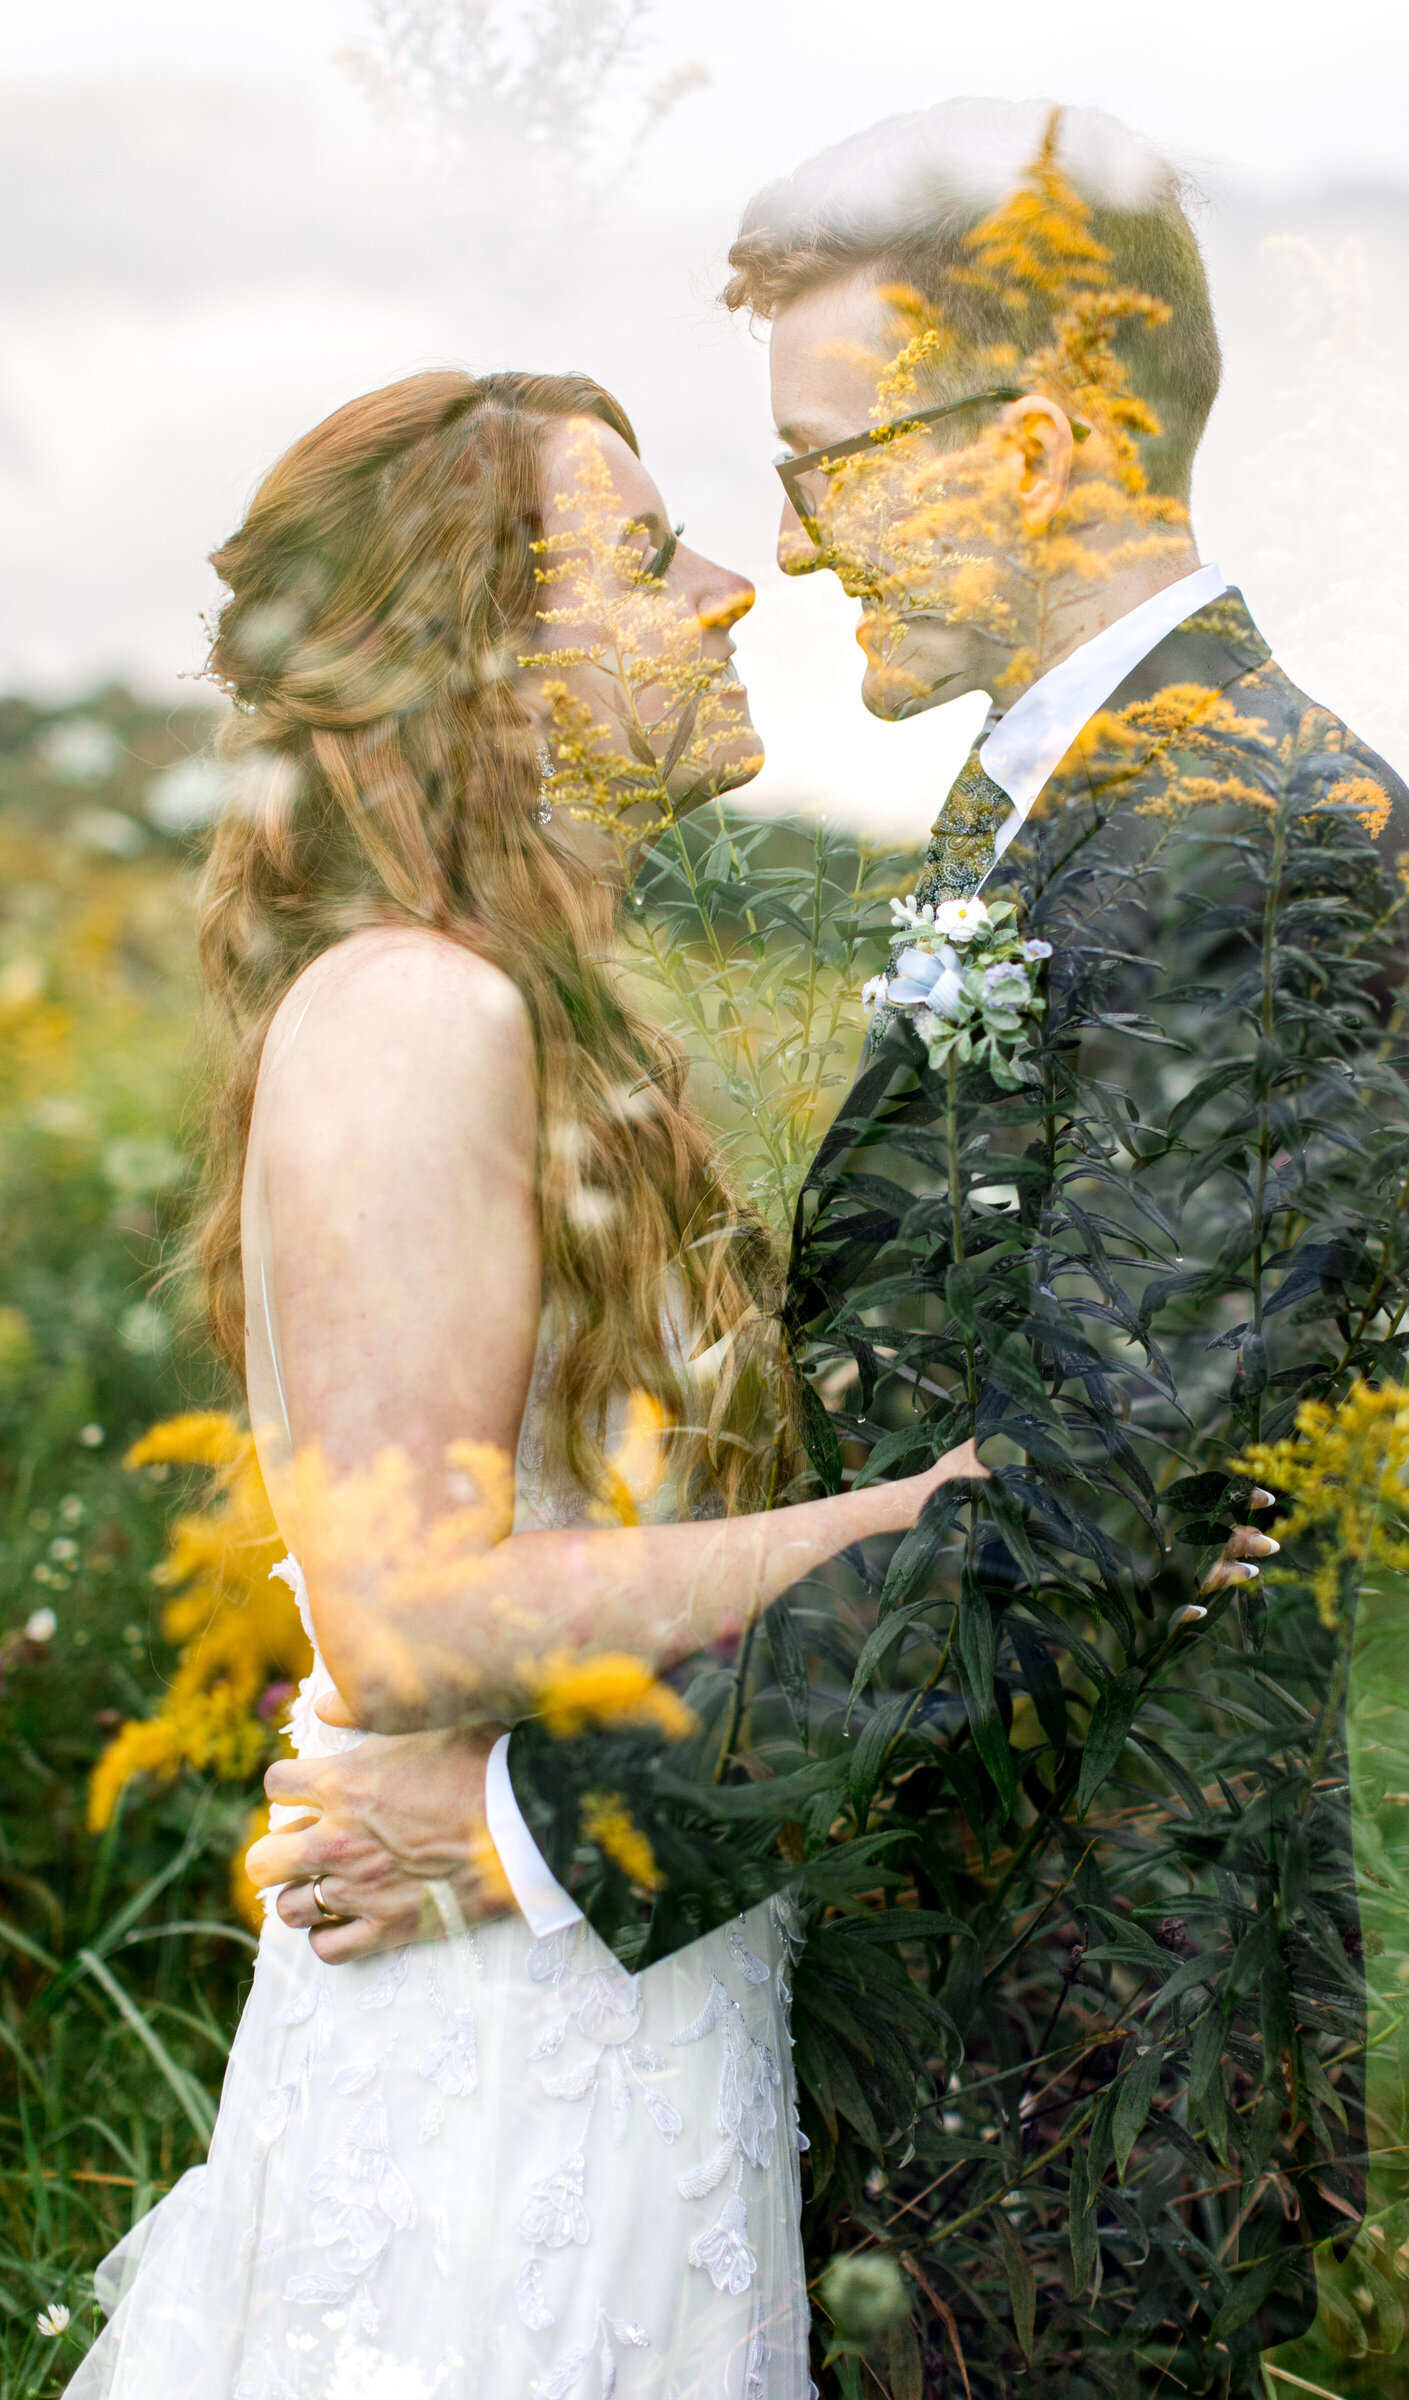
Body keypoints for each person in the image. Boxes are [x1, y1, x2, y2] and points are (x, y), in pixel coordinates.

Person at [261, 98, 1409, 2390]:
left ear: (1022, 444)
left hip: (1084, 2059)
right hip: (900, 2026)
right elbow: (994, 1468)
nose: (791, 559)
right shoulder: (1055, 816)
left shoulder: (1247, 834)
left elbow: (1081, 1530)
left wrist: (528, 1829)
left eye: (820, 464)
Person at [65, 369, 982, 2400]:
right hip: (484, 2055)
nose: (737, 591)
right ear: (480, 659)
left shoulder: (542, 1020)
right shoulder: (411, 1014)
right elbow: (408, 1619)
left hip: (613, 1998)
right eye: (651, 557)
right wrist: (919, 1521)